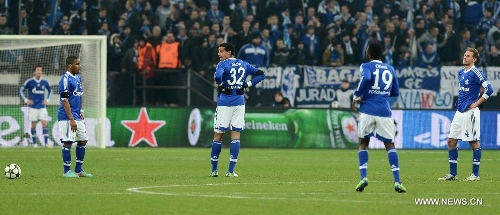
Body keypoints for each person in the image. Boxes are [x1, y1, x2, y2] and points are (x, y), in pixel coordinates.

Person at [352, 42, 406, 193]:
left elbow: (366, 78)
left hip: (367, 110)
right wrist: (381, 94)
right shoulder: (390, 69)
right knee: (390, 145)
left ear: (369, 54)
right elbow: (395, 92)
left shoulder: (366, 66)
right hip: (384, 111)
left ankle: (363, 177)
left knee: (363, 143)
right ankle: (397, 182)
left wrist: (357, 96)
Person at [210, 42, 266, 177]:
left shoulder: (223, 64)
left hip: (224, 103)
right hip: (239, 103)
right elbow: (262, 74)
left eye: (222, 51)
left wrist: (221, 84)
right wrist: (246, 84)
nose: (219, 54)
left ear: (229, 52)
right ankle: (230, 171)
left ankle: (214, 170)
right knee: (235, 135)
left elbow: (217, 77)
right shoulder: (244, 64)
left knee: (218, 135)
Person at [438, 47, 494, 181]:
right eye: (464, 55)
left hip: (470, 112)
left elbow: (489, 89)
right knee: (451, 141)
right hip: (459, 112)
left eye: (468, 56)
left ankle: (475, 175)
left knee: (473, 142)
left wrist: (476, 103)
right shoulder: (461, 72)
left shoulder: (476, 72)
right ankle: (453, 174)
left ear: (474, 59)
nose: (465, 57)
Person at [57, 56, 93, 178]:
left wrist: (81, 110)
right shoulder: (65, 80)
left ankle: (78, 170)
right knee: (67, 142)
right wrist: (71, 119)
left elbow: (79, 95)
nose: (80, 66)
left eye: (79, 63)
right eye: (77, 64)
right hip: (67, 117)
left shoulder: (78, 78)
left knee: (83, 140)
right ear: (70, 65)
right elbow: (64, 100)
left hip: (78, 116)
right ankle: (66, 171)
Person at [19, 65, 53, 147]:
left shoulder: (45, 82)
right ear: (34, 72)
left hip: (42, 107)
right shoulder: (29, 82)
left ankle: (45, 144)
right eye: (38, 70)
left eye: (41, 70)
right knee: (33, 124)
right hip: (33, 107)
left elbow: (51, 90)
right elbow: (21, 90)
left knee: (44, 123)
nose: (39, 72)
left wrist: (48, 100)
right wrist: (26, 100)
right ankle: (34, 144)